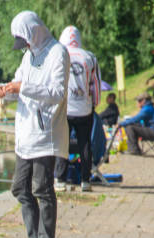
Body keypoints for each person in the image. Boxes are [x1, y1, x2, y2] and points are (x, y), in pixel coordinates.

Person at [0, 11, 69, 238]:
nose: (24, 46)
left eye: (25, 40)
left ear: (34, 32)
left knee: (42, 188)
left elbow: (57, 92)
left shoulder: (58, 52)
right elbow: (19, 84)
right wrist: (6, 89)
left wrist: (22, 87)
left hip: (45, 133)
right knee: (19, 188)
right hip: (25, 135)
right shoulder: (28, 56)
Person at [58, 25, 101, 192]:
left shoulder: (60, 55)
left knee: (62, 143)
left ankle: (60, 179)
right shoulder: (90, 57)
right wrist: (93, 104)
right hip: (84, 109)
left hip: (65, 109)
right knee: (85, 144)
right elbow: (95, 84)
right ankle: (85, 180)